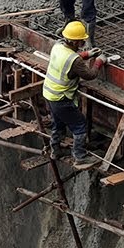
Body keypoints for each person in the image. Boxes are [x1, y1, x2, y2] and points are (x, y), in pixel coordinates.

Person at [43, 20, 105, 169]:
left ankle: (55, 150)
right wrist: (98, 61)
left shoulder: (58, 46)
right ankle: (80, 157)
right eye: (81, 40)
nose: (83, 41)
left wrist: (87, 54)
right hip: (61, 98)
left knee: (58, 123)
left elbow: (68, 57)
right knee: (79, 125)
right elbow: (89, 75)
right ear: (75, 41)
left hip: (48, 93)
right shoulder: (75, 60)